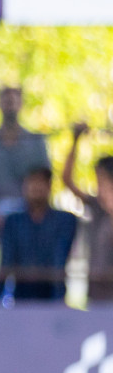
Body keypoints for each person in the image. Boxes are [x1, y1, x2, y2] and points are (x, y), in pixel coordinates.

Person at [0, 87, 51, 229]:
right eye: (6, 100)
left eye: (14, 100)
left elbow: (45, 178)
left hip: (26, 206)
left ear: (21, 103)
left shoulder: (35, 141)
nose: (10, 104)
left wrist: (34, 210)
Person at [0, 167, 76, 303]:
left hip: (53, 296)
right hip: (21, 297)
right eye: (32, 182)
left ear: (49, 186)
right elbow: (6, 262)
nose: (36, 187)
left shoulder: (65, 220)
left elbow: (60, 258)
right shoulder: (12, 222)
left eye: (41, 182)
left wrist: (59, 299)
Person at [63, 122, 113, 303]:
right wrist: (75, 141)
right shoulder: (95, 205)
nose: (99, 187)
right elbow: (67, 180)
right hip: (96, 291)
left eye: (103, 181)